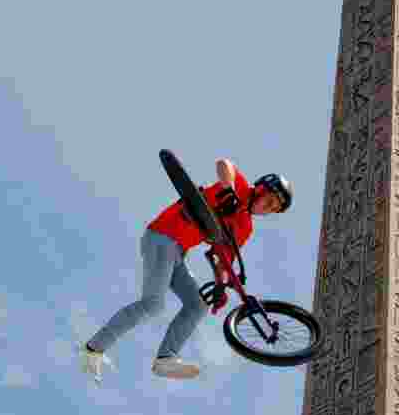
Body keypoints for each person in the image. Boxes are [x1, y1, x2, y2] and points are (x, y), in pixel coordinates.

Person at [80, 157, 292, 381]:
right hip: (163, 236)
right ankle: (93, 349)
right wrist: (228, 189)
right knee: (153, 304)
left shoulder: (245, 226)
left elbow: (224, 258)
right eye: (270, 201)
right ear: (261, 189)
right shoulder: (239, 186)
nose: (268, 209)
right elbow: (224, 164)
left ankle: (165, 359)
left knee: (197, 305)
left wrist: (220, 285)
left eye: (273, 209)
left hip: (177, 252)